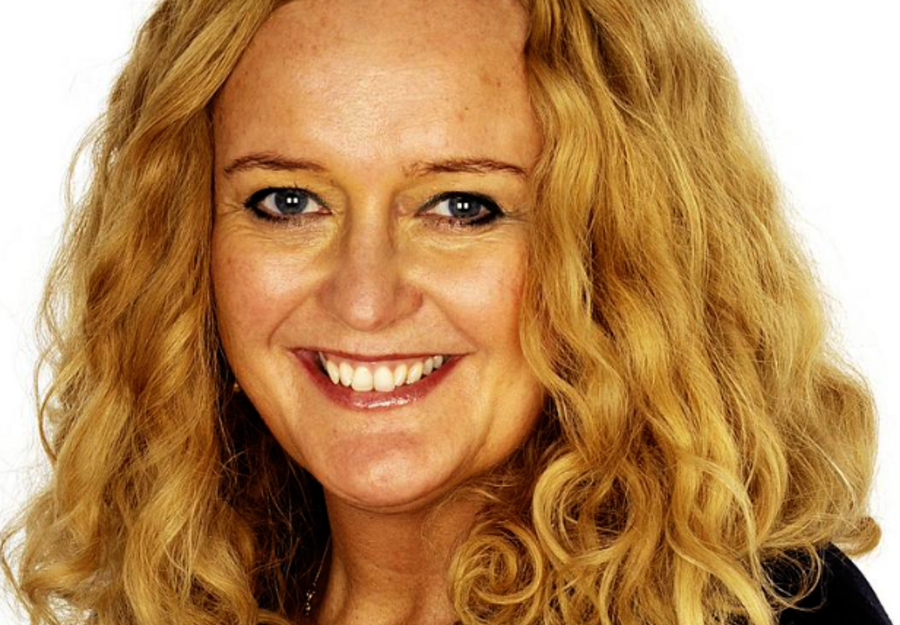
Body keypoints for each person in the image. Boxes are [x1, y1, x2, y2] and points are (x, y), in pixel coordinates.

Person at [0, 0, 893, 624]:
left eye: (463, 206)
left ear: (618, 253)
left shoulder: (755, 611)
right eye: (288, 201)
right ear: (183, 248)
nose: (364, 297)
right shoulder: (176, 603)